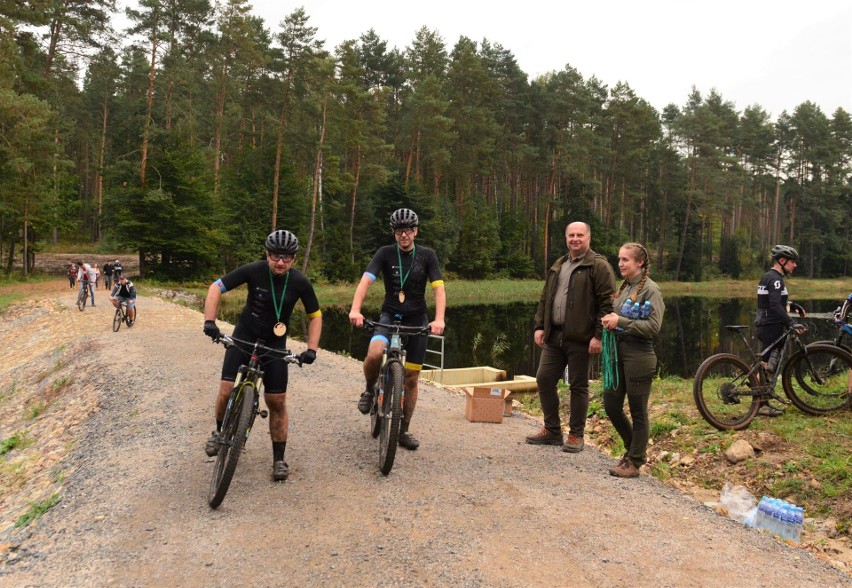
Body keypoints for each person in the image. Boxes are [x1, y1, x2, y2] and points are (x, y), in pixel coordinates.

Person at [202, 230, 322, 482]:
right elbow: (216, 288)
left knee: (277, 402)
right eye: (276, 256)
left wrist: (311, 349)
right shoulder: (253, 270)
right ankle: (218, 432)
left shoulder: (299, 282)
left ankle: (279, 459)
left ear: (294, 259)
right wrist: (210, 322)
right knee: (225, 389)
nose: (281, 262)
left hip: (274, 344)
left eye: (287, 258)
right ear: (267, 254)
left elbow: (315, 316)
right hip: (244, 337)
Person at [349, 208, 446, 451]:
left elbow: (439, 289)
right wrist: (355, 310)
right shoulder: (384, 253)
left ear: (416, 231)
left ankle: (403, 430)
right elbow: (366, 281)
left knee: (411, 379)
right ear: (394, 233)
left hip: (417, 320)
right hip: (389, 316)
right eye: (399, 231)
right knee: (374, 353)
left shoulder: (427, 255)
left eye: (408, 230)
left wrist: (439, 319)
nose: (404, 235)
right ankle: (370, 389)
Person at [525, 221, 616, 452]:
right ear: (566, 238)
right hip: (554, 336)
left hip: (582, 338)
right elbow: (545, 298)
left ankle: (576, 435)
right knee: (544, 379)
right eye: (571, 235)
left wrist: (598, 336)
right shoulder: (559, 264)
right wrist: (539, 326)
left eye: (580, 235)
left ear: (589, 237)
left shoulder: (598, 265)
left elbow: (607, 303)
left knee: (578, 386)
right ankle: (552, 430)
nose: (575, 239)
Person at [600, 243, 665, 478]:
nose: (620, 264)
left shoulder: (651, 290)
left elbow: (654, 327)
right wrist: (610, 321)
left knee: (638, 411)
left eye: (625, 260)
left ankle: (635, 461)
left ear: (639, 263)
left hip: (639, 356)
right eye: (619, 259)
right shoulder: (625, 287)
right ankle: (632, 449)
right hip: (617, 354)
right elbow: (619, 316)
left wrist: (621, 322)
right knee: (611, 406)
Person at [754, 244, 807, 417]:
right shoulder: (775, 279)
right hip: (770, 325)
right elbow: (775, 305)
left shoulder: (772, 277)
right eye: (792, 262)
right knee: (766, 364)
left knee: (768, 362)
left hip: (769, 323)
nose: (795, 265)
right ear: (782, 261)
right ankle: (761, 404)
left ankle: (761, 399)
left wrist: (794, 306)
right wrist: (791, 322)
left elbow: (779, 301)